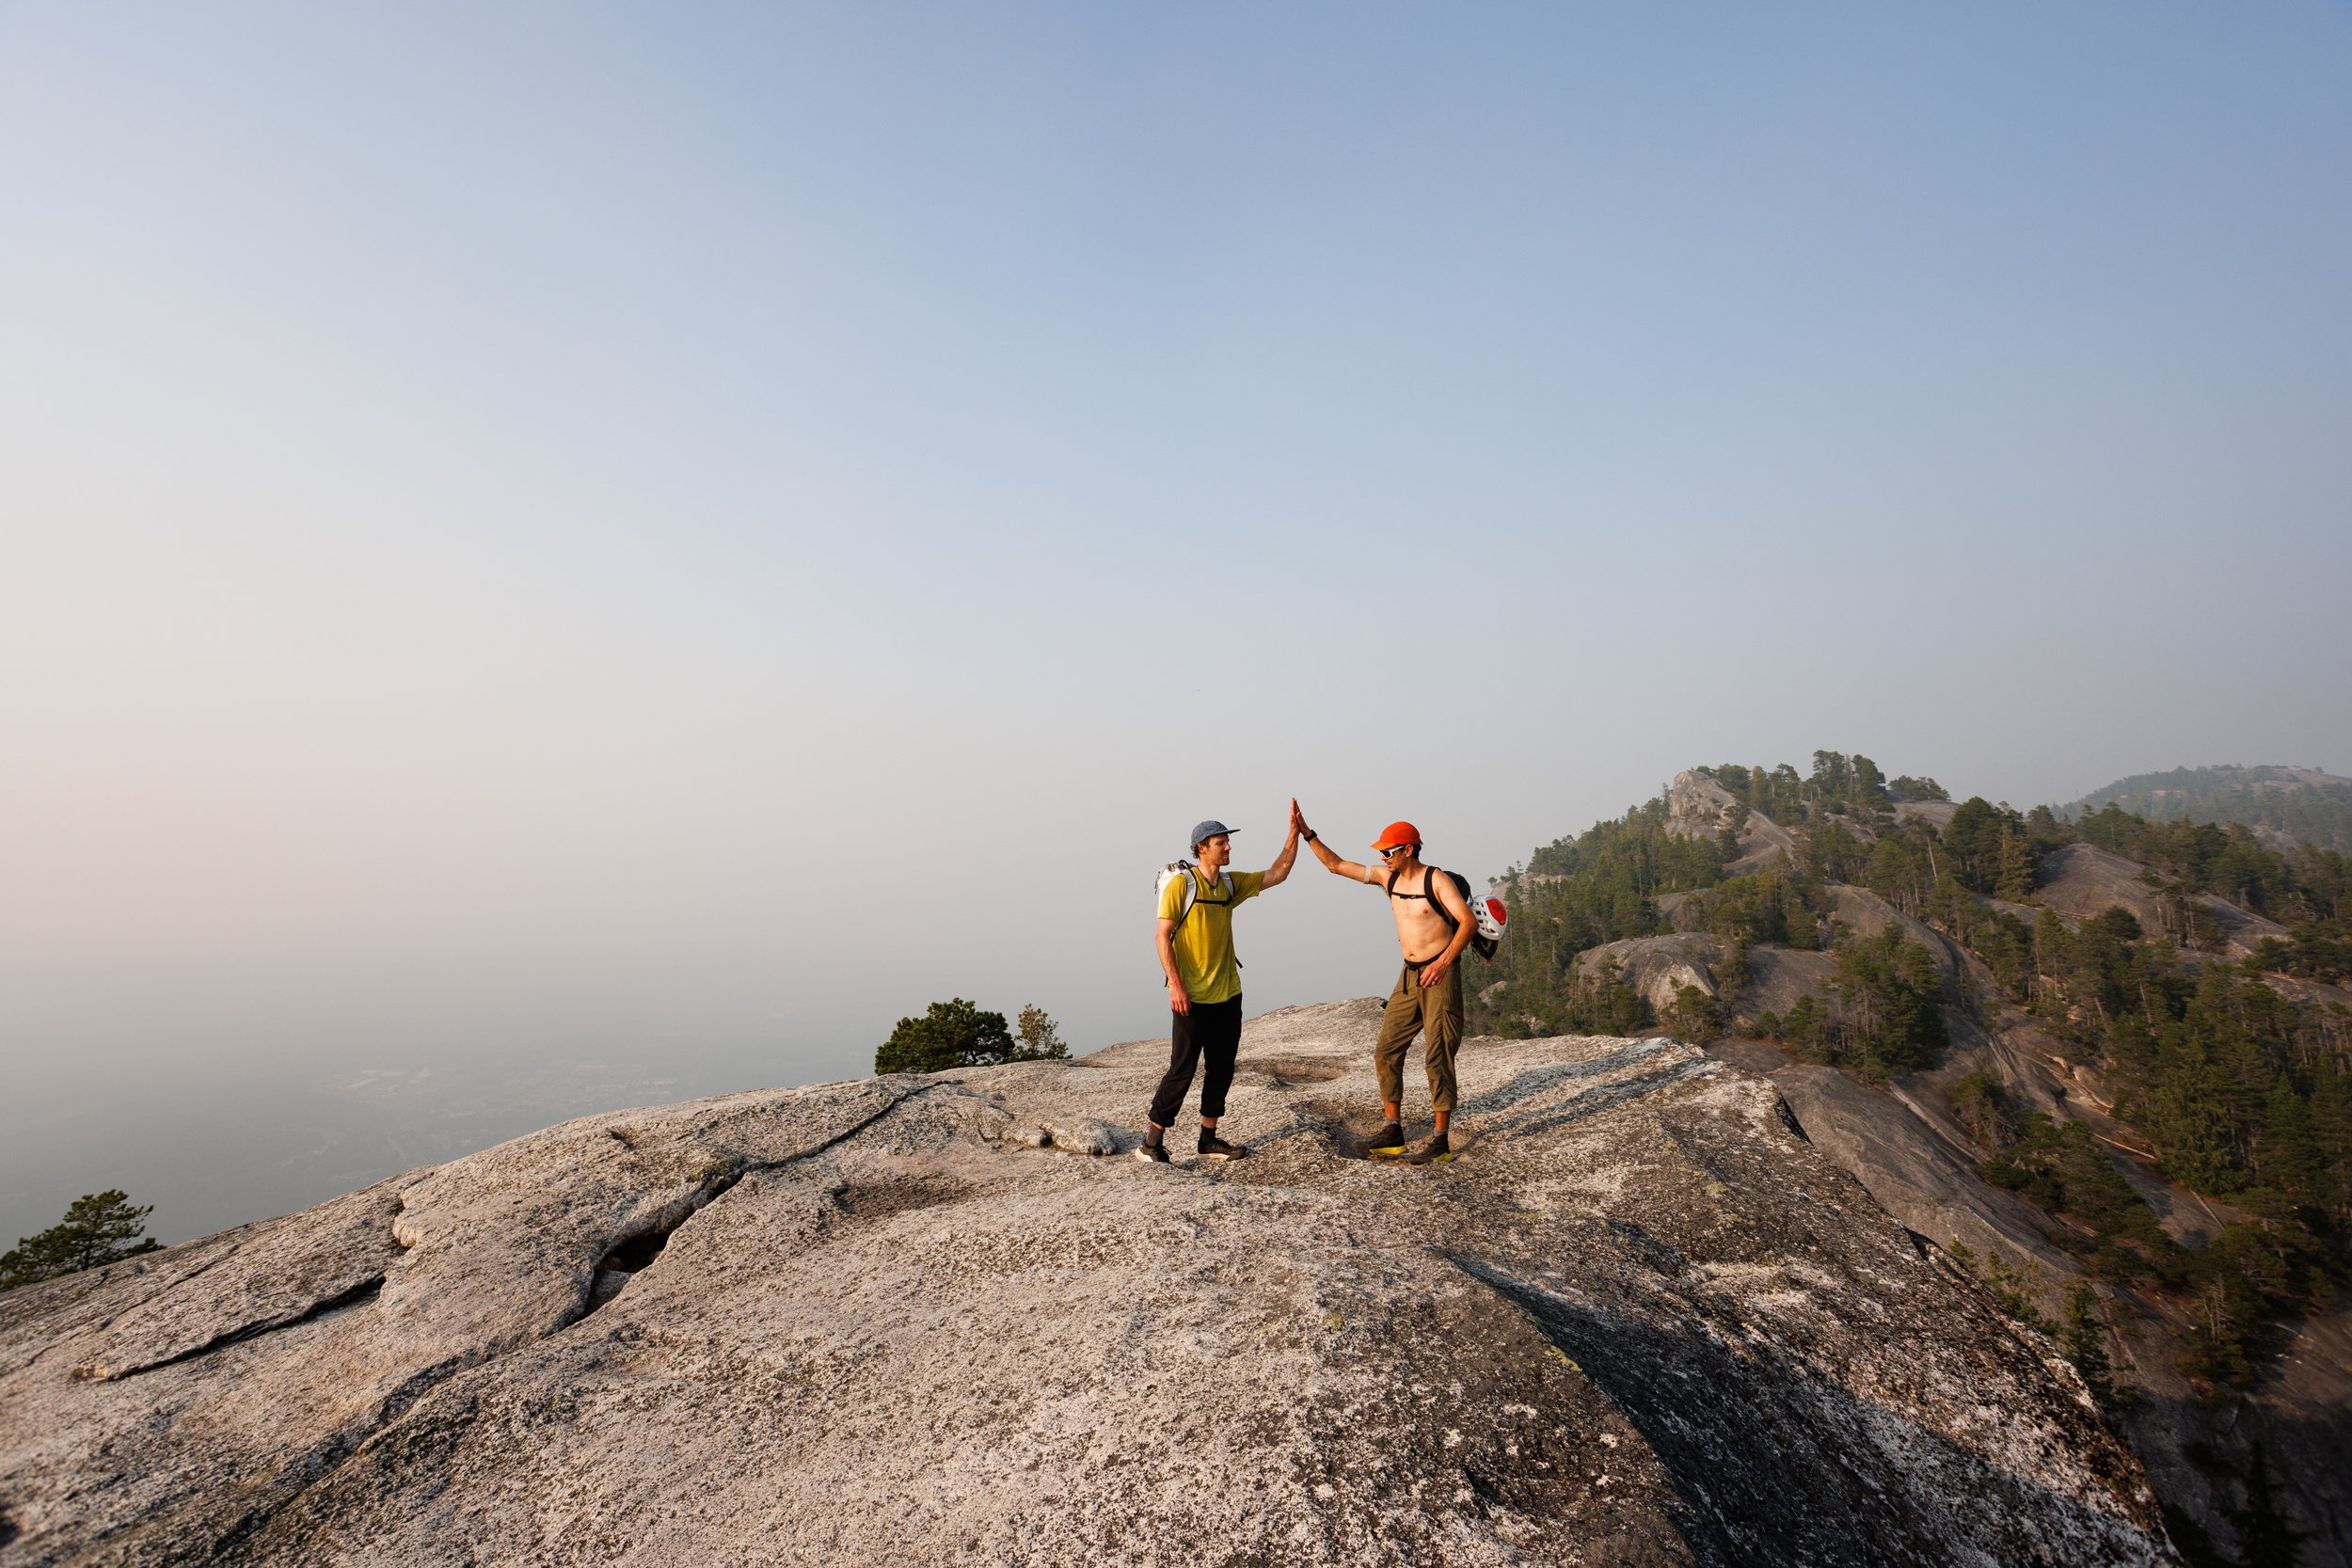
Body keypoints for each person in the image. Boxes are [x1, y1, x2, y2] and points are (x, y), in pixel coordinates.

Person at [1297, 809, 1473, 1159]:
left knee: (1438, 1056)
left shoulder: (1436, 880)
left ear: (1408, 850)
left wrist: (1443, 962)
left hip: (1440, 973)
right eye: (1382, 852)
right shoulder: (1387, 878)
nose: (1382, 857)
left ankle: (1440, 1141)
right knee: (1387, 1050)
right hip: (1409, 974)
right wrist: (1308, 834)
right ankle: (1393, 1132)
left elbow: (1466, 922)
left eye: (1388, 851)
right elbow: (1336, 865)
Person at [1140, 807, 1301, 1163]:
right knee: (1182, 1069)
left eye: (1227, 842)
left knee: (1222, 1068)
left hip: (1228, 993)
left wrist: (1294, 834)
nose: (1228, 848)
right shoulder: (1182, 885)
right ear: (1201, 848)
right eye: (1221, 843)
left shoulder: (1229, 884)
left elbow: (1278, 873)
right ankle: (1151, 1143)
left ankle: (1208, 1139)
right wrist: (1177, 987)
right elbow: (1162, 937)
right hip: (1191, 996)